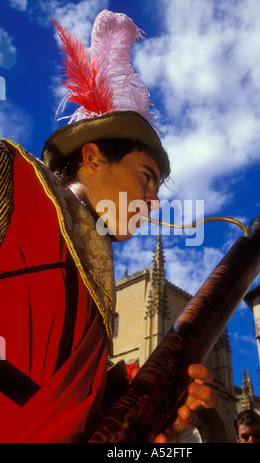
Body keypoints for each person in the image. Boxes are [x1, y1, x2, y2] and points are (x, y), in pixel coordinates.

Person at [0, 10, 218, 443]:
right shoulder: (11, 176)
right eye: (146, 176)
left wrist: (150, 406)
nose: (154, 199)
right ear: (94, 157)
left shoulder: (95, 280)